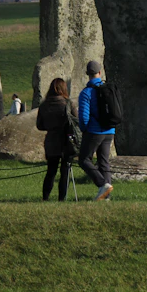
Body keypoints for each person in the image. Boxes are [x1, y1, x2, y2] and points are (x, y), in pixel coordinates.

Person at [36, 78, 77, 201]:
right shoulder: (68, 104)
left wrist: (50, 126)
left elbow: (39, 125)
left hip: (51, 140)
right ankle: (62, 198)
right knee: (65, 171)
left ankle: (46, 197)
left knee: (51, 171)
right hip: (65, 140)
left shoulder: (44, 105)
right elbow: (76, 122)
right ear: (64, 89)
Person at [78, 60, 114, 200]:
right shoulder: (108, 90)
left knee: (84, 160)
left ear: (88, 74)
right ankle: (106, 196)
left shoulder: (86, 93)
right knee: (104, 162)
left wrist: (84, 129)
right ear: (100, 73)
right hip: (109, 131)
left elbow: (84, 116)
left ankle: (102, 185)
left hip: (94, 131)